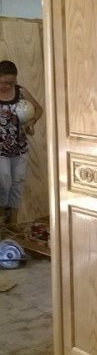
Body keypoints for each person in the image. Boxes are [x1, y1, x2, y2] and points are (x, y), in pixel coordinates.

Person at [0, 59, 43, 229]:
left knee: (18, 182)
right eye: (3, 82)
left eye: (11, 83)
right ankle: (1, 215)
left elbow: (38, 109)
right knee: (4, 181)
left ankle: (13, 220)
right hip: (0, 149)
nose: (7, 86)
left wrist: (32, 121)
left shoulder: (20, 91)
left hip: (20, 146)